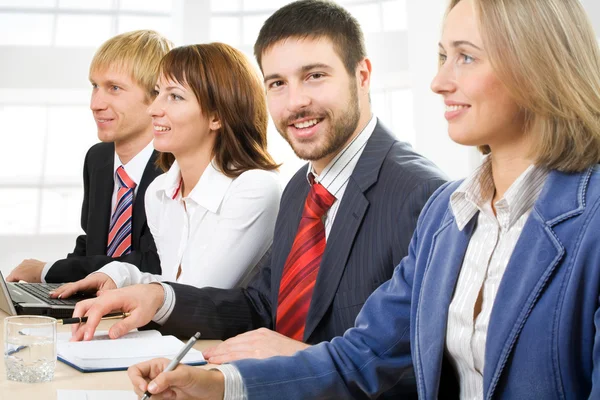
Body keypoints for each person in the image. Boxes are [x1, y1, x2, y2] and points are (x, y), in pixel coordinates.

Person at [127, 0, 600, 398]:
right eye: (441, 56)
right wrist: (216, 383)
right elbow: (363, 355)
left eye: (467, 57)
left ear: (539, 64)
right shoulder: (451, 213)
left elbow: (408, 372)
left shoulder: (424, 195)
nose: (439, 82)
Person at [70, 0, 446, 396]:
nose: (295, 102)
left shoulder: (420, 195)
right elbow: (260, 306)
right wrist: (161, 298)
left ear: (362, 75)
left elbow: (426, 371)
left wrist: (298, 358)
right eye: (277, 83)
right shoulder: (302, 186)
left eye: (315, 76)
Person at [50, 43, 281, 295]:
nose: (153, 109)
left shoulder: (255, 189)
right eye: (159, 93)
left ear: (217, 116)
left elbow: (194, 294)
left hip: (223, 334)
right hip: (182, 334)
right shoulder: (160, 191)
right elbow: (171, 281)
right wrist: (116, 274)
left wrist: (125, 278)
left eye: (175, 96)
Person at [7, 30, 172, 284]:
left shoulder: (174, 166)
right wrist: (58, 286)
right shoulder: (98, 159)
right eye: (95, 86)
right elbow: (91, 245)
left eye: (114, 88)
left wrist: (48, 270)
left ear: (155, 96)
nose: (96, 103)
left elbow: (154, 263)